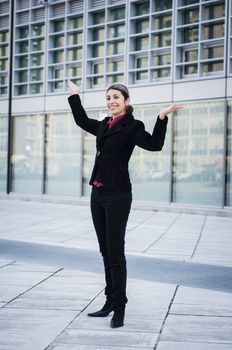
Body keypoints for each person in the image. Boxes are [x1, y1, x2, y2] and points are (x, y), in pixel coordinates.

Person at [68, 80, 182, 328]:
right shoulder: (104, 125)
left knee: (116, 253)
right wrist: (75, 95)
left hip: (117, 195)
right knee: (104, 251)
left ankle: (119, 307)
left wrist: (162, 117)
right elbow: (81, 121)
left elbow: (155, 145)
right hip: (97, 194)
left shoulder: (133, 126)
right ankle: (109, 301)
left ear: (126, 101)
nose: (111, 101)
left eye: (116, 97)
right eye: (108, 97)